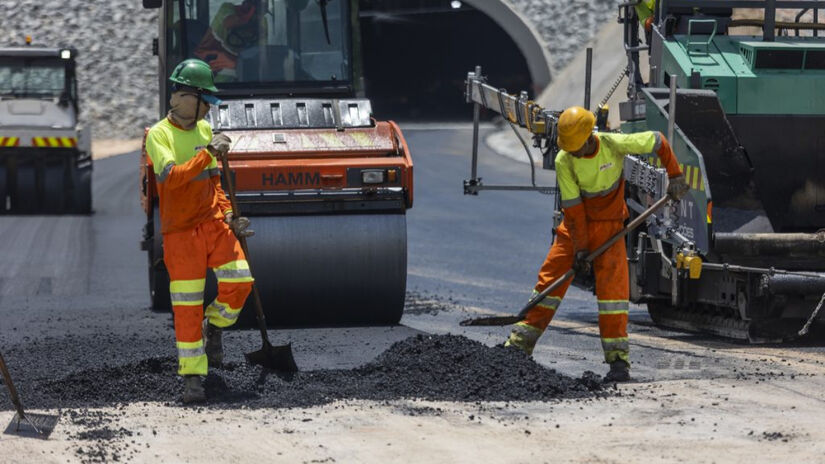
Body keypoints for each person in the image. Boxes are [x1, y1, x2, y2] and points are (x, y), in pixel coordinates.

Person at [504, 106, 689, 382]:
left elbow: (658, 141)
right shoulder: (564, 160)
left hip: (611, 231)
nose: (573, 152)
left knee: (613, 298)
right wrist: (580, 249)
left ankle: (618, 363)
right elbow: (574, 211)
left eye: (576, 147)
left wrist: (674, 175)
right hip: (574, 231)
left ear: (589, 138)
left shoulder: (613, 145)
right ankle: (518, 347)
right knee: (548, 284)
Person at [145, 58, 254, 402]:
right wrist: (207, 153)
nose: (209, 108)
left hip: (213, 224)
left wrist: (230, 215)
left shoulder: (205, 130)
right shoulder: (158, 136)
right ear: (186, 98)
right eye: (206, 100)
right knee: (186, 308)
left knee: (240, 281)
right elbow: (172, 178)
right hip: (180, 234)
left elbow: (215, 184)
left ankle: (215, 325)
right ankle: (193, 379)